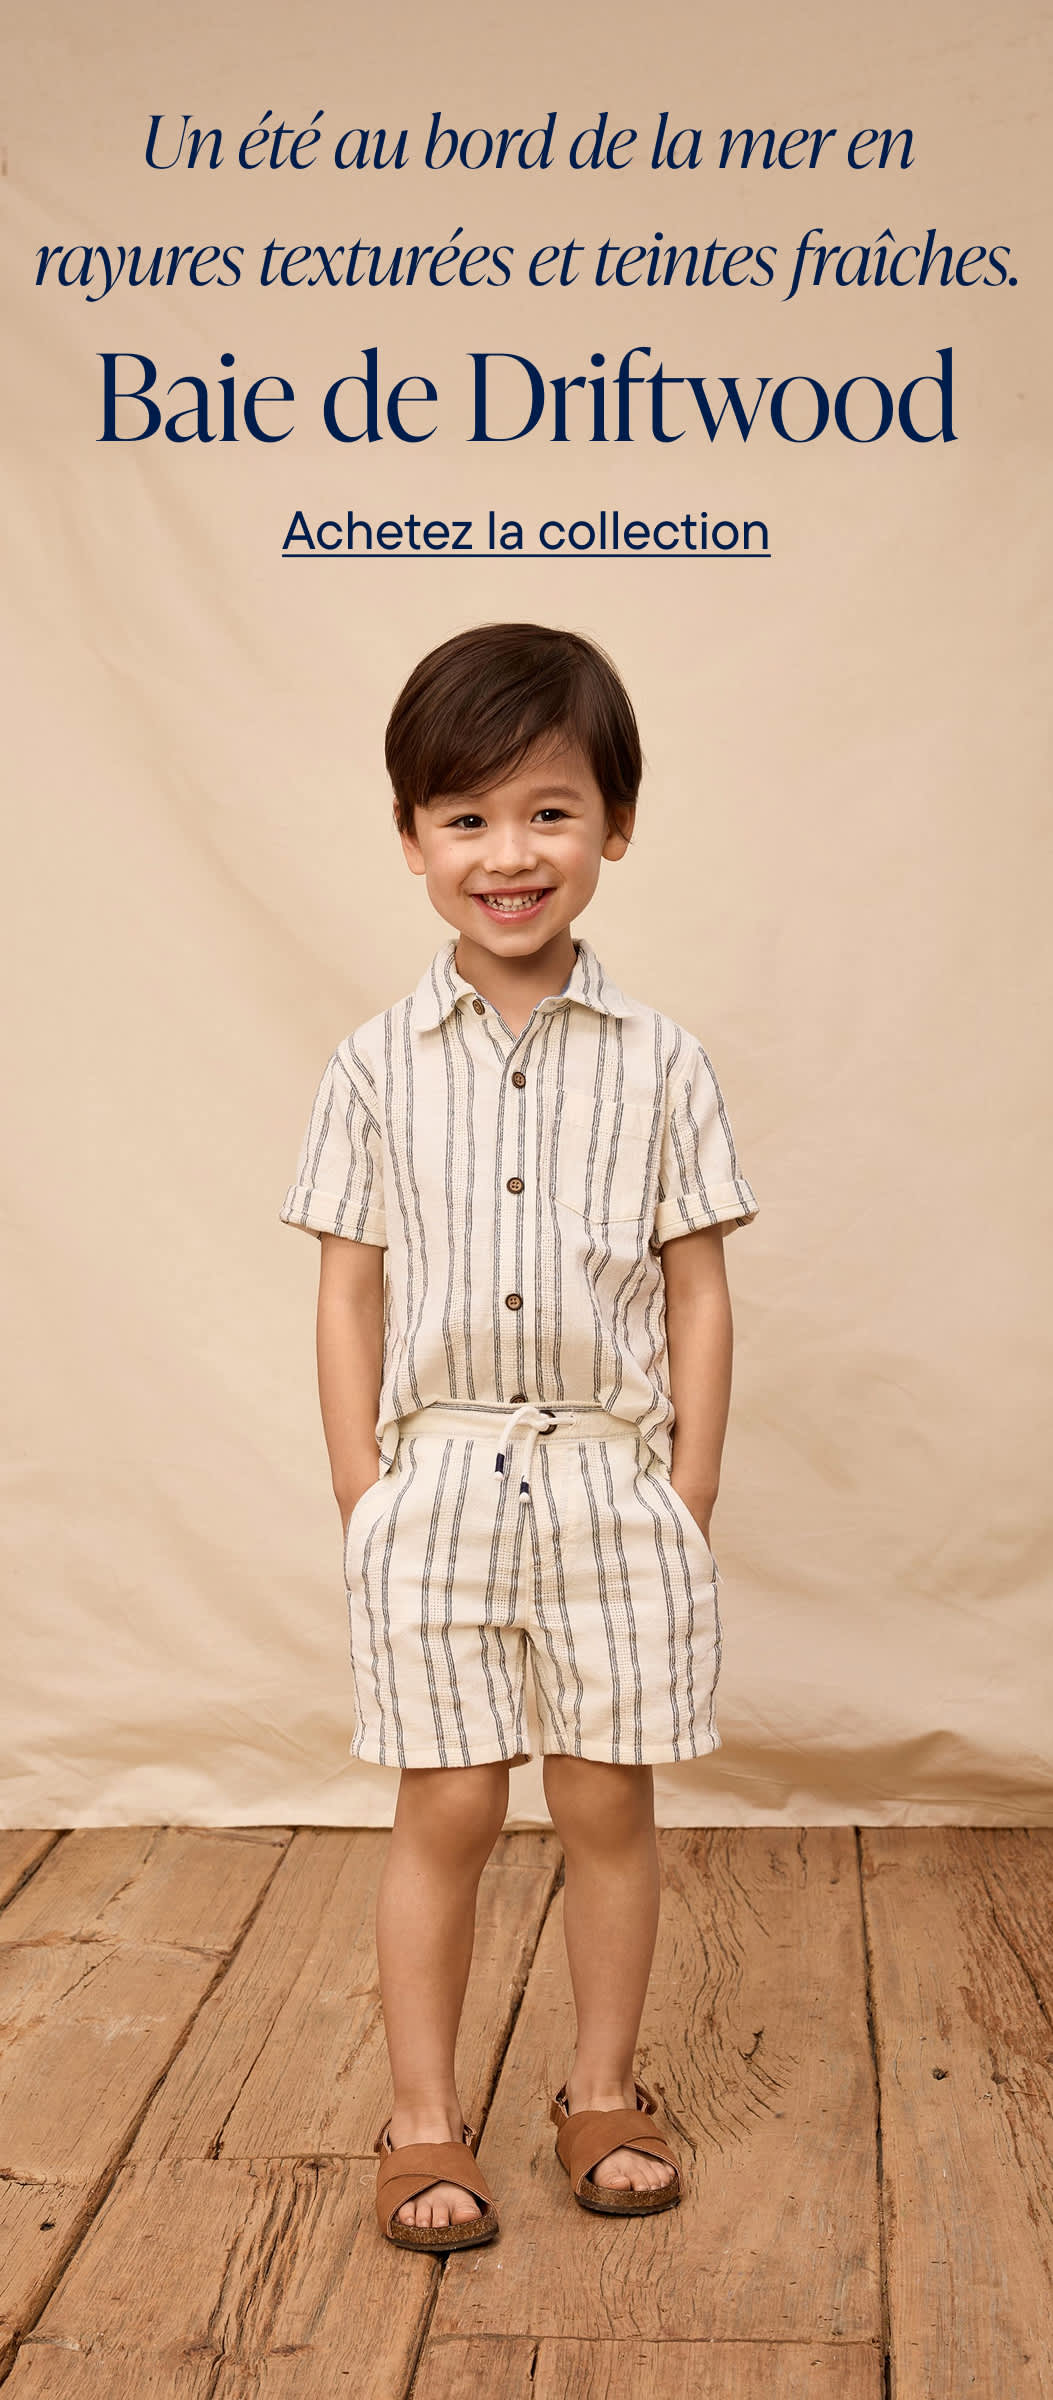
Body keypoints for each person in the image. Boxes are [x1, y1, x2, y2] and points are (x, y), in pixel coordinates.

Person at [279, 621, 759, 2253]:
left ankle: (600, 2089)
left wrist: (682, 1485)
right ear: (412, 839)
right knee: (451, 1804)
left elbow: (697, 1285)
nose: (509, 853)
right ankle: (424, 2119)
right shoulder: (370, 1064)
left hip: (609, 1481)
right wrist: (365, 1488)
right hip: (438, 1481)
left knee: (606, 1795)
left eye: (548, 812)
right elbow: (349, 1292)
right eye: (466, 818)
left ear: (613, 826)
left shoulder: (663, 1060)